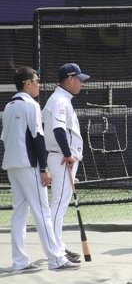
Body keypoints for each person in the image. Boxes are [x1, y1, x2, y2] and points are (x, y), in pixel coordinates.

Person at [1, 66, 79, 272]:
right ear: (27, 84)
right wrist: (44, 168)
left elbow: (5, 139)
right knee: (43, 212)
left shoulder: (8, 106)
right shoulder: (31, 106)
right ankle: (56, 259)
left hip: (12, 166)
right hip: (29, 165)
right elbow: (37, 138)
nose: (38, 85)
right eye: (36, 81)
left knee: (19, 214)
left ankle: (20, 262)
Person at [42, 63, 90, 265]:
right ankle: (56, 252)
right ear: (70, 79)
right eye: (79, 79)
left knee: (59, 205)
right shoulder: (60, 100)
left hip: (60, 157)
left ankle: (58, 247)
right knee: (58, 206)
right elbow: (59, 131)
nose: (81, 83)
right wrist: (68, 154)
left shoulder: (61, 99)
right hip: (62, 159)